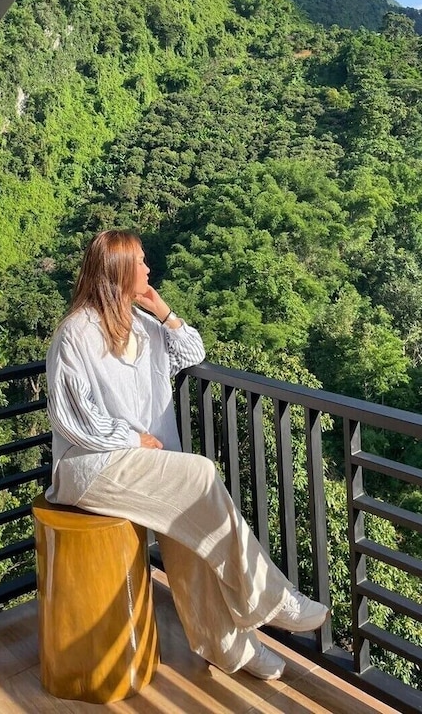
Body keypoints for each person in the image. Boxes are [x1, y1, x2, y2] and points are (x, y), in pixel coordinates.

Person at [45, 229, 328, 681]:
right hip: (91, 466)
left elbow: (193, 351)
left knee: (191, 529)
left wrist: (163, 310)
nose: (148, 268)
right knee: (199, 475)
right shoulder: (76, 334)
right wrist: (130, 437)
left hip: (143, 465)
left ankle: (230, 647)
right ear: (119, 270)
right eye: (140, 261)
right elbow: (70, 416)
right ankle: (269, 597)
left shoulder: (141, 324)